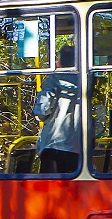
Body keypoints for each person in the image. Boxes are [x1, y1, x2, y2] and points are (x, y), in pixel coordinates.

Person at [35, 44, 82, 174]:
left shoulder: (54, 80)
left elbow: (42, 109)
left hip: (54, 144)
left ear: (60, 61)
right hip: (78, 146)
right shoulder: (85, 80)